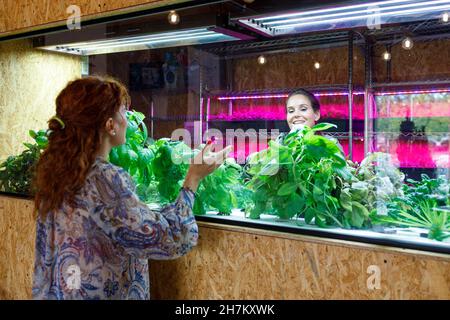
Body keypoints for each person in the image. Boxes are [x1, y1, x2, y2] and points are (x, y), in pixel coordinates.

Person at [32, 75, 232, 300]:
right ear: (110, 125)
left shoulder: (58, 173)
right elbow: (169, 239)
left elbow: (44, 261)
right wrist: (193, 179)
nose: (128, 120)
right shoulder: (104, 179)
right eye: (124, 113)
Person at [278, 88, 343, 152]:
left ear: (316, 114)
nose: (296, 114)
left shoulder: (330, 144)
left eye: (303, 109)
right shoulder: (280, 144)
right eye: (291, 111)